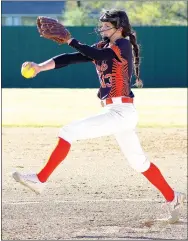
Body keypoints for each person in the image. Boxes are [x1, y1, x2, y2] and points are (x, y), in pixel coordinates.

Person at [12, 9, 185, 223]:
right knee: (139, 163)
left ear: (119, 29)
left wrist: (70, 40)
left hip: (121, 112)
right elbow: (69, 58)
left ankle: (40, 179)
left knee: (68, 131)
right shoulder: (103, 46)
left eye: (107, 26)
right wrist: (40, 67)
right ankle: (173, 197)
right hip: (117, 113)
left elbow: (98, 56)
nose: (102, 28)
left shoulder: (122, 45)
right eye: (101, 25)